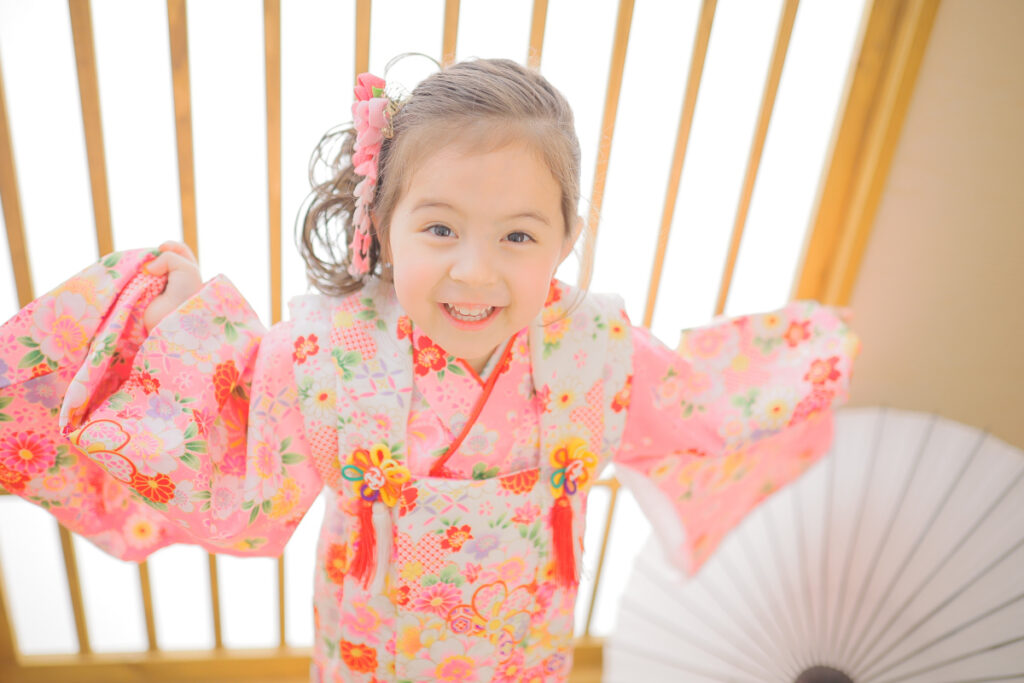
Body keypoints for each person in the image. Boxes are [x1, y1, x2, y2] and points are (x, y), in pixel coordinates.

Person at [0, 58, 857, 681]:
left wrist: (799, 370)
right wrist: (176, 329)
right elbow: (238, 468)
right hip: (372, 650)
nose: (475, 271)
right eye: (440, 228)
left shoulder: (597, 350)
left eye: (518, 235)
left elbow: (701, 409)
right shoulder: (328, 354)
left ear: (567, 239)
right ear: (382, 223)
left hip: (521, 651)